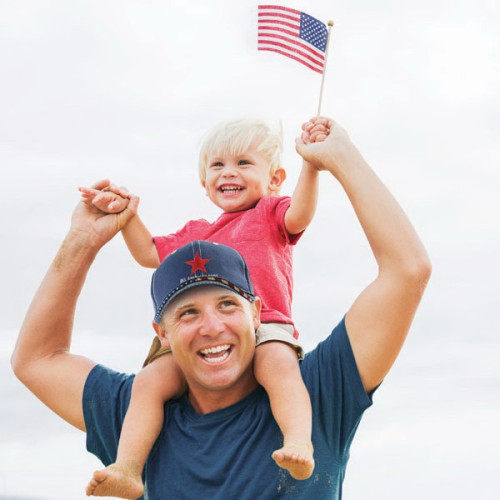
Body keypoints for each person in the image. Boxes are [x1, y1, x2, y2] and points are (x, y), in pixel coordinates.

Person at [11, 117, 431, 499]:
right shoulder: (140, 414)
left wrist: (337, 159)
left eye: (227, 304)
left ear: (255, 311)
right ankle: (128, 471)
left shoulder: (319, 393)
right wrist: (83, 240)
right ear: (163, 333)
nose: (211, 326)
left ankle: (297, 441)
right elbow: (36, 359)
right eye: (188, 313)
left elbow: (407, 271)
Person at [78, 117, 330, 497]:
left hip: (266, 325)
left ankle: (298, 441)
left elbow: (301, 215)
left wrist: (311, 166)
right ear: (204, 183)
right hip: (197, 336)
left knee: (278, 366)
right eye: (218, 165)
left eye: (244, 163)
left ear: (275, 178)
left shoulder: (271, 212)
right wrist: (126, 214)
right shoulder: (197, 233)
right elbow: (148, 253)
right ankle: (129, 467)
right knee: (148, 382)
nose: (229, 172)